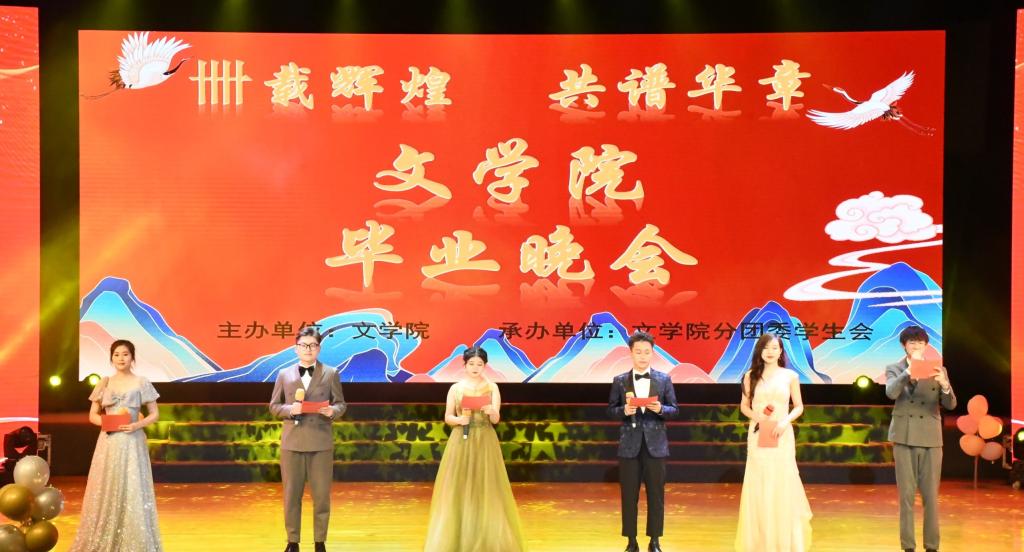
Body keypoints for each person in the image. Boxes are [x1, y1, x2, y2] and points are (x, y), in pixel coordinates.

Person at [423, 346, 527, 552]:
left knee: (487, 485)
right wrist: (459, 420)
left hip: (485, 439)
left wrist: (491, 411)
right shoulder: (455, 388)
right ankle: (457, 536)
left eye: (479, 364)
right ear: (464, 365)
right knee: (459, 485)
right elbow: (448, 417)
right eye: (471, 364)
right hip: (461, 440)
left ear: (485, 366)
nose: (475, 367)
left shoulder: (492, 387)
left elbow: (496, 419)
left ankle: (487, 537)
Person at [70, 339, 163, 552]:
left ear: (132, 358)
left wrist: (136, 425)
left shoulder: (141, 382)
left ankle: (135, 542)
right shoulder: (104, 382)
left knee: (133, 487)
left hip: (133, 441)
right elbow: (92, 415)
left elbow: (155, 414)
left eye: (125, 354)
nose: (121, 358)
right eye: (117, 354)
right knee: (107, 486)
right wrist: (108, 422)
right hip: (109, 441)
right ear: (111, 358)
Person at [270, 326, 347, 552]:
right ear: (296, 349)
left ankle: (320, 541)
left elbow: (341, 404)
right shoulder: (284, 374)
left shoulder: (331, 373)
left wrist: (333, 411)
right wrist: (289, 410)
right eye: (303, 345)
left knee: (321, 496)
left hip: (320, 442)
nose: (308, 349)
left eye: (313, 345)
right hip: (292, 443)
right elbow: (274, 406)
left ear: (319, 349)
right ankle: (292, 541)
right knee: (291, 495)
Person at [735, 332, 812, 551]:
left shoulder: (790, 376)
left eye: (774, 348)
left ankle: (783, 541)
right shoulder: (750, 376)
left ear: (781, 352)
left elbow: (798, 406)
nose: (770, 352)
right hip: (759, 433)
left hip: (781, 434)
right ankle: (760, 541)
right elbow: (744, 406)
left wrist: (784, 421)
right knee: (759, 482)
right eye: (766, 347)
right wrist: (758, 418)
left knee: (782, 482)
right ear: (759, 351)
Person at [885, 325, 955, 552]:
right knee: (906, 497)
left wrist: (945, 386)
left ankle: (932, 546)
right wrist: (909, 372)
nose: (917, 347)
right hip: (904, 436)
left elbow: (950, 404)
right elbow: (891, 393)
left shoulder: (938, 368)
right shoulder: (895, 368)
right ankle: (908, 546)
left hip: (931, 437)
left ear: (926, 346)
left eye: (921, 343)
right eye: (912, 343)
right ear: (904, 346)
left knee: (930, 496)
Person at [607, 331, 678, 552]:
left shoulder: (663, 379)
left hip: (656, 446)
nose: (642, 356)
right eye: (638, 352)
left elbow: (675, 409)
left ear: (652, 353)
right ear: (630, 353)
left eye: (647, 352)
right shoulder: (620, 381)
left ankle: (655, 541)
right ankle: (631, 541)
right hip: (629, 446)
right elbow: (611, 410)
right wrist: (624, 410)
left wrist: (661, 408)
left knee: (656, 496)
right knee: (629, 496)